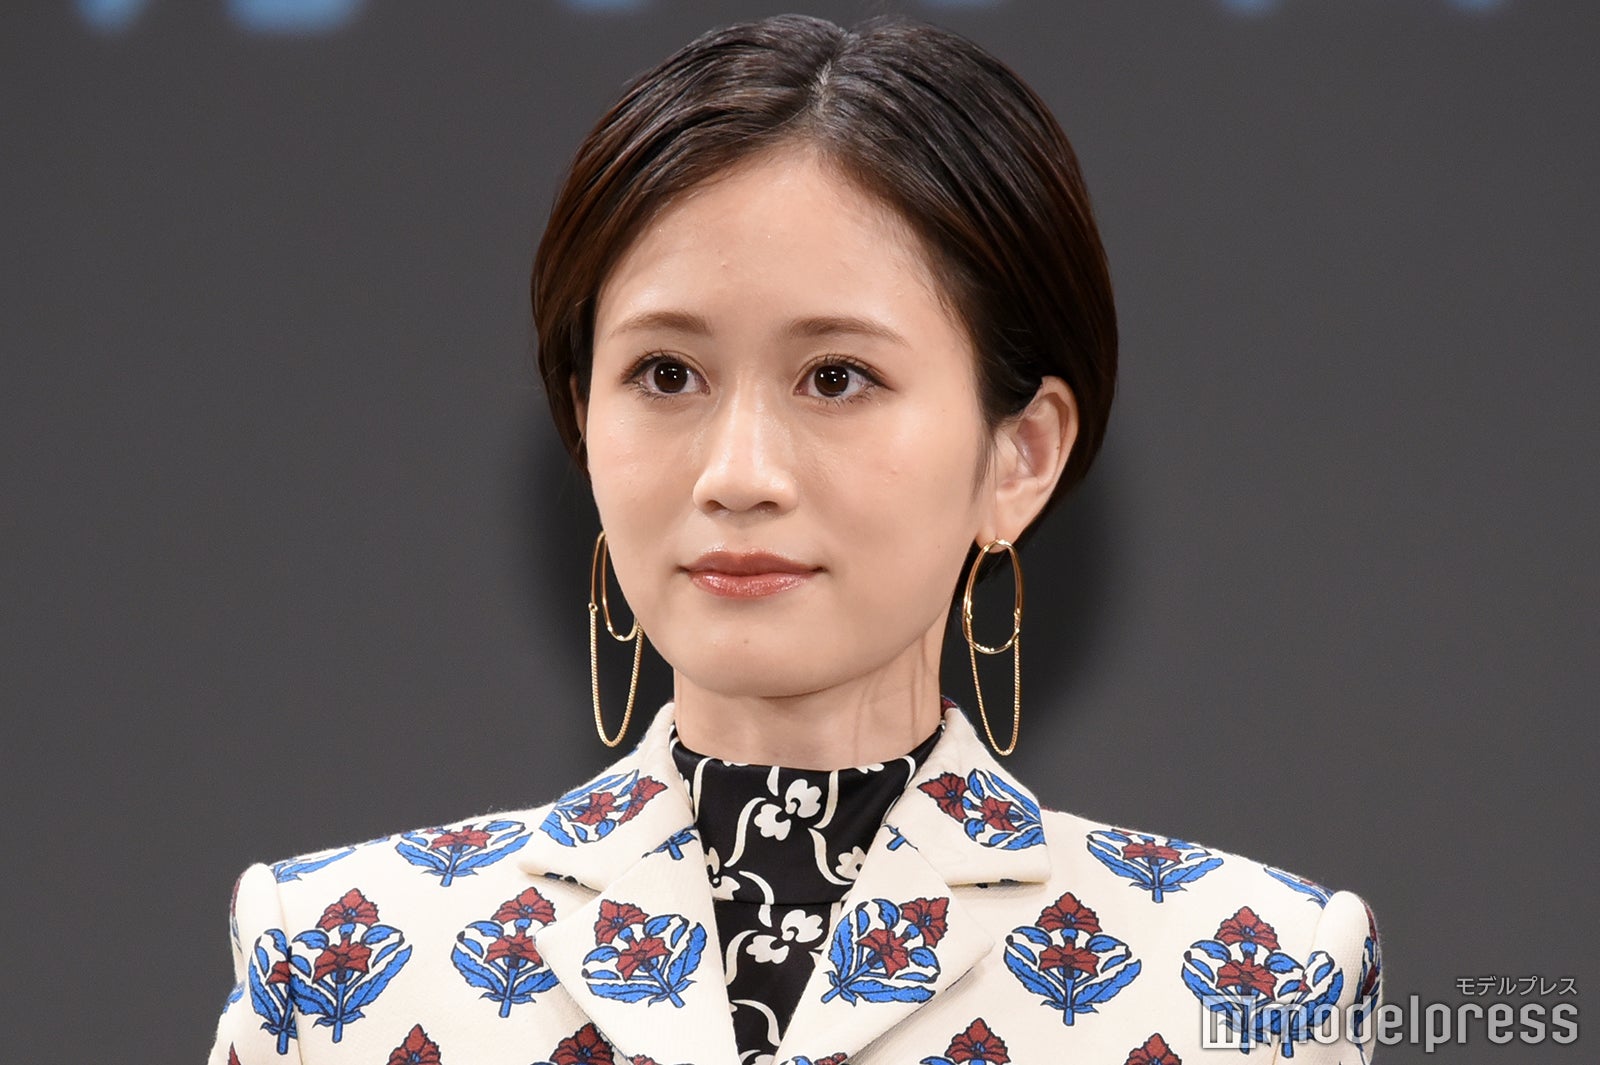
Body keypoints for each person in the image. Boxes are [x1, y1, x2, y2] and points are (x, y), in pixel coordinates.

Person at [208, 14, 1381, 1065]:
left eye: (835, 377)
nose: (738, 475)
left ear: (1018, 455)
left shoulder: (1247, 980)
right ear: (581, 419)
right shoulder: (345, 970)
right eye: (666, 374)